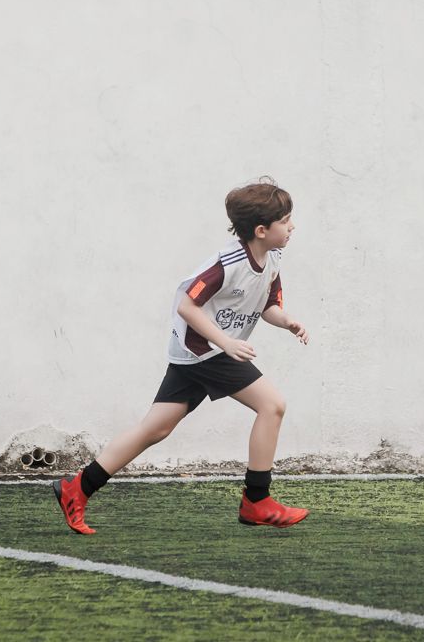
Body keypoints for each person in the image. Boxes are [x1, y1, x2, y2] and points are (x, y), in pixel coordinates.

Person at [53, 178, 311, 534]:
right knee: (273, 405)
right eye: (286, 221)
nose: (293, 226)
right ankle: (257, 500)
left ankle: (77, 488)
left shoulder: (273, 259)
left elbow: (268, 305)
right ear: (262, 230)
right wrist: (226, 343)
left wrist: (287, 322)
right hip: (206, 351)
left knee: (155, 428)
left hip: (196, 354)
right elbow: (187, 305)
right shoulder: (227, 263)